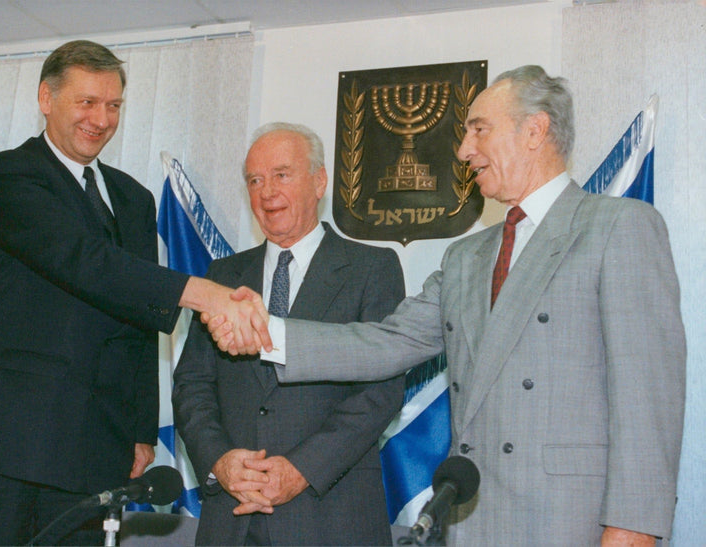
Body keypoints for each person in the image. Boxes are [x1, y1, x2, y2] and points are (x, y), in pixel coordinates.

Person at [210, 67, 686, 545]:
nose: (463, 150)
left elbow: (647, 402)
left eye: (480, 129)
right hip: (473, 520)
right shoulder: (466, 257)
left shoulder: (617, 227)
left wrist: (633, 529)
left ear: (535, 131)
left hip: (569, 522)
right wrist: (267, 331)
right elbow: (385, 341)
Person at [0, 40, 268, 546]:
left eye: (114, 105)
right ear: (46, 98)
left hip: (96, 451)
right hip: (3, 447)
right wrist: (205, 295)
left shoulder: (133, 199)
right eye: (87, 102)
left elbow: (139, 321)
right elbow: (86, 263)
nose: (101, 119)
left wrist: (142, 430)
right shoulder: (8, 176)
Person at [172, 122, 405, 545]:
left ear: (319, 182)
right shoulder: (223, 276)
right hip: (233, 515)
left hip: (329, 515)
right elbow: (192, 385)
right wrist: (220, 462)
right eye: (255, 180)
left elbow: (380, 393)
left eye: (281, 174)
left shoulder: (373, 269)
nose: (266, 192)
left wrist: (300, 470)